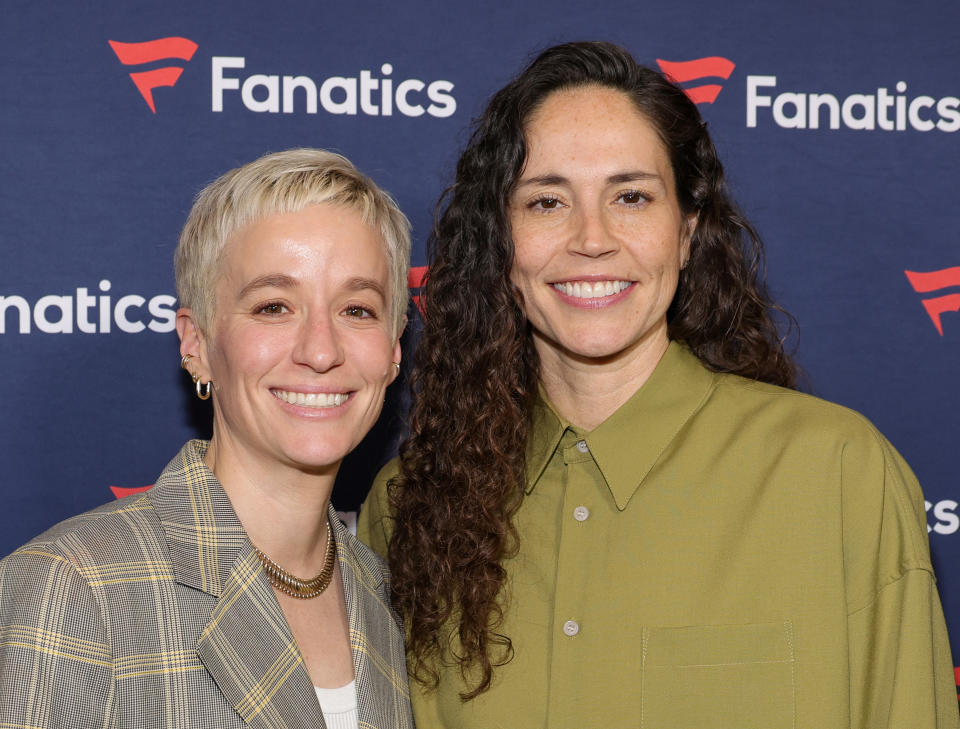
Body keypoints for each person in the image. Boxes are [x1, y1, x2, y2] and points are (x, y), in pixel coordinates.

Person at [358, 42, 959, 728]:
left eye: (632, 196)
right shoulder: (411, 506)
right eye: (548, 201)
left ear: (685, 233)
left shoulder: (840, 475)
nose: (592, 238)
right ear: (502, 240)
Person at [0, 149, 415, 729]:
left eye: (357, 309)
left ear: (394, 350)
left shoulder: (387, 594)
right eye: (274, 306)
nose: (321, 350)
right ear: (195, 344)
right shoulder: (74, 587)